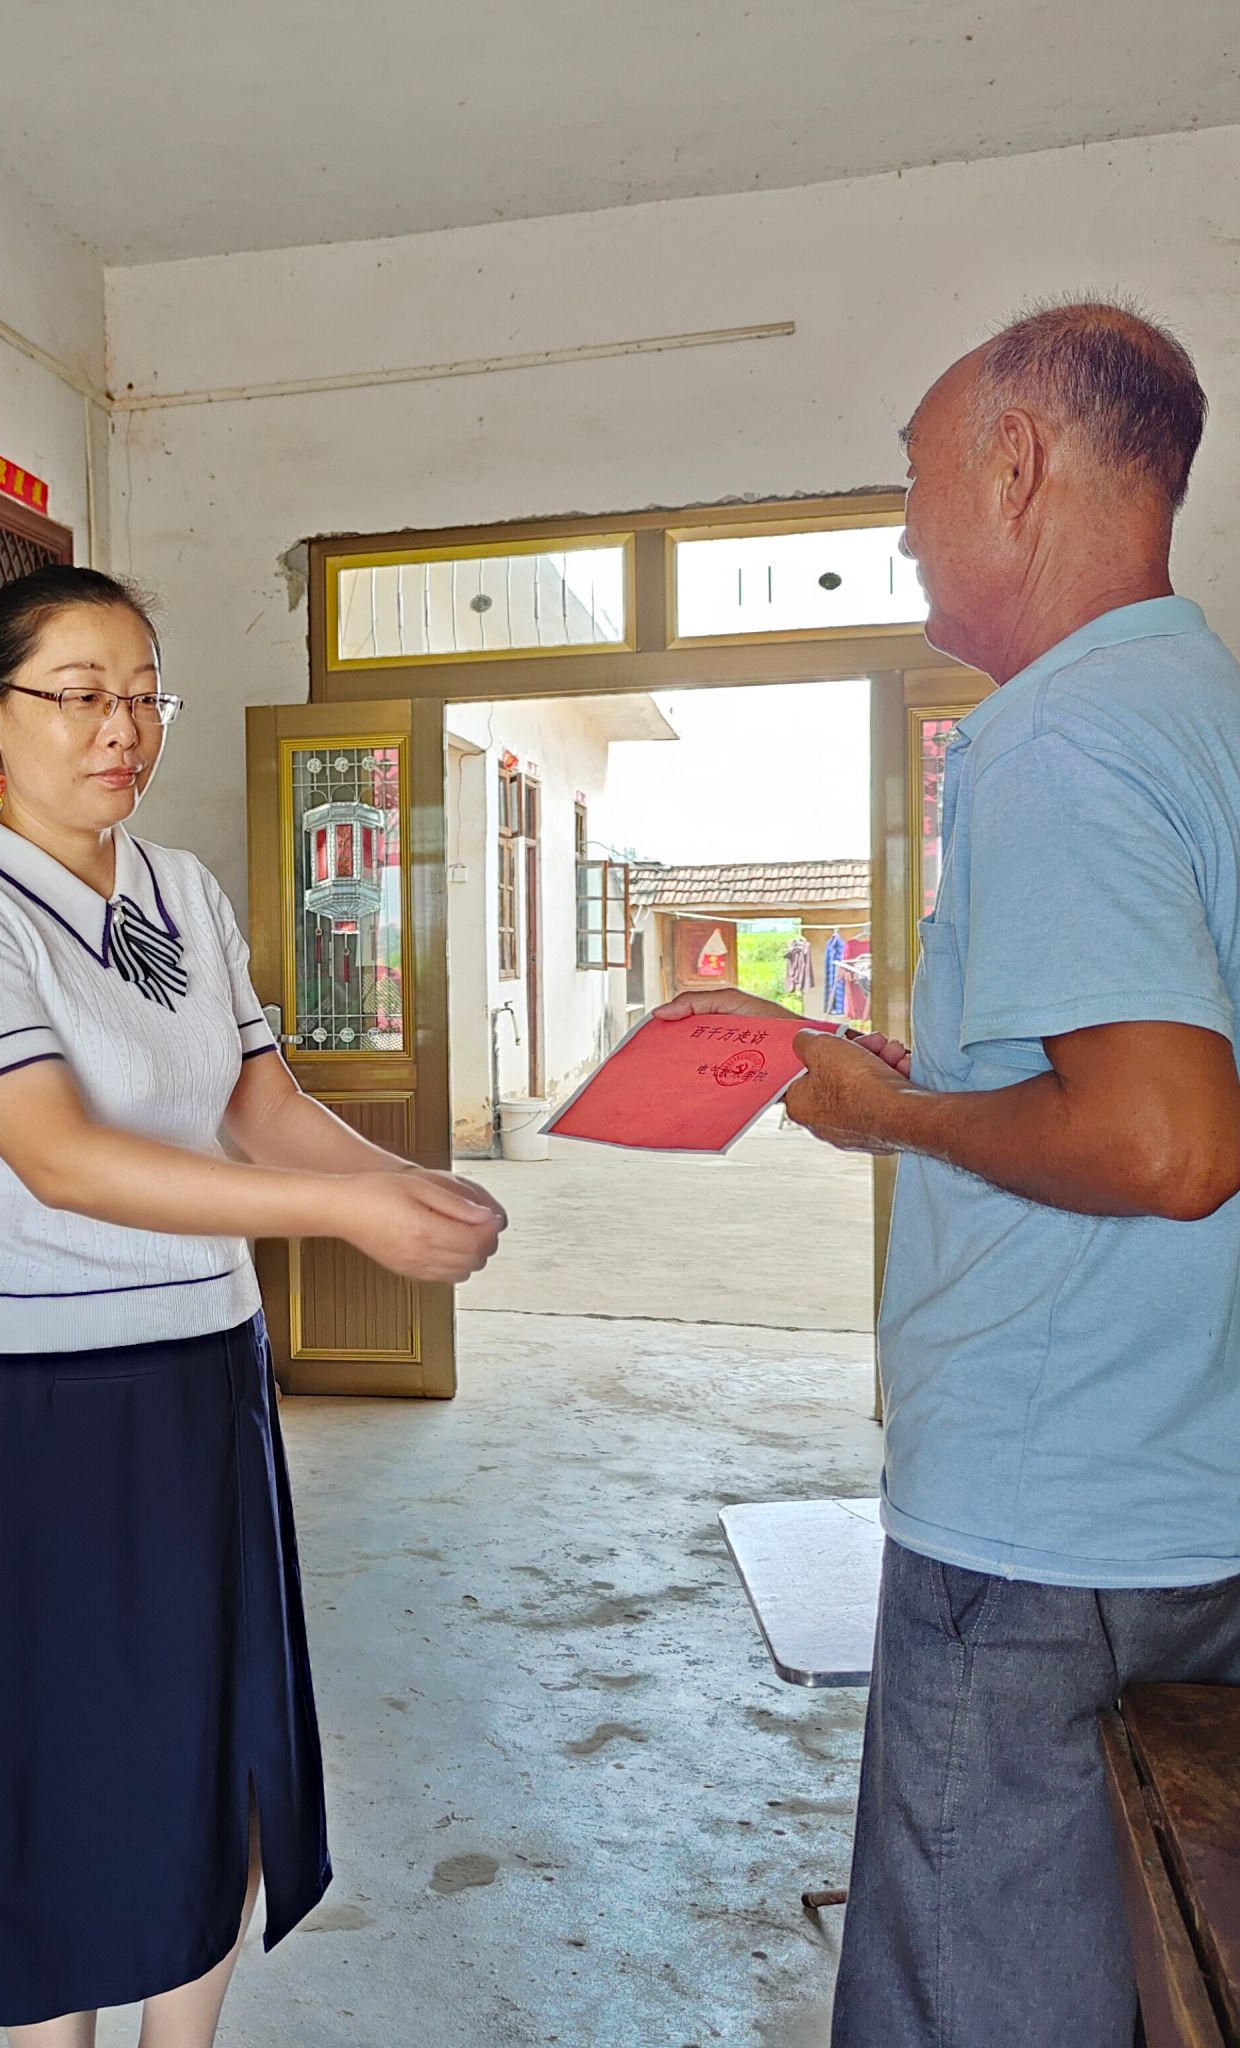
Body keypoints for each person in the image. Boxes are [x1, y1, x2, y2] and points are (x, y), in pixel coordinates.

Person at [664, 302, 1240, 2048]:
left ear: (1018, 466)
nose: (907, 529)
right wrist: (936, 1077)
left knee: (980, 1999)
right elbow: (1136, 1067)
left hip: (1049, 1527)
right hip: (1184, 1478)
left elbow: (1167, 1140)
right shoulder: (1199, 704)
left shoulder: (1060, 739)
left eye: (916, 481)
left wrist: (889, 1121)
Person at [0, 565, 506, 2046]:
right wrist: (344, 1216)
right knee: (66, 1761)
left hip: (209, 1374)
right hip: (52, 1399)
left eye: (142, 695)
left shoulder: (179, 891)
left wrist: (402, 1184)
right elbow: (58, 1156)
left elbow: (263, 1109)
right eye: (77, 695)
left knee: (217, 1740)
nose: (121, 728)